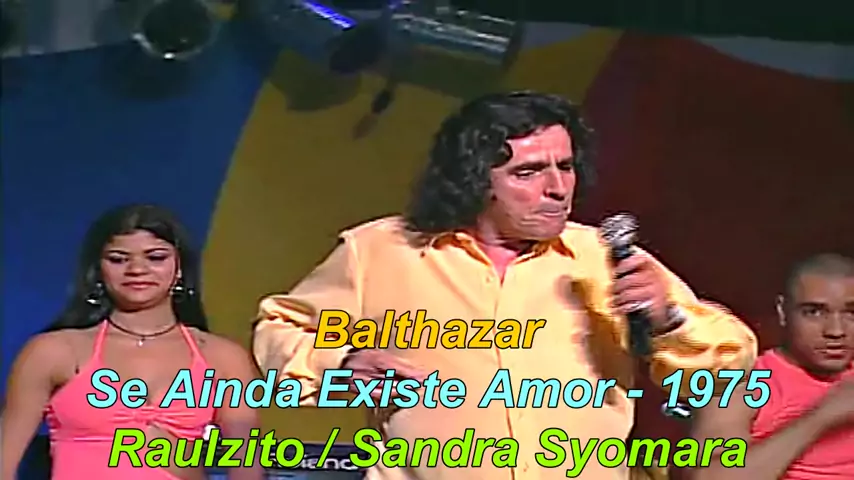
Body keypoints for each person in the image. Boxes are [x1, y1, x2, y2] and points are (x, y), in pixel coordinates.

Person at [252, 91, 758, 479]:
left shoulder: (603, 258)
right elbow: (279, 327)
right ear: (474, 180)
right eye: (529, 172)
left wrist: (669, 319)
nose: (557, 188)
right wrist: (341, 364)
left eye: (565, 167)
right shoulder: (380, 251)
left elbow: (730, 358)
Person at [1, 204, 263, 480]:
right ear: (98, 269)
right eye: (118, 259)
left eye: (155, 257)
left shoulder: (222, 358)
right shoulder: (54, 352)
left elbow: (247, 466)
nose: (137, 269)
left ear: (180, 268)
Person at [689, 253, 854, 480]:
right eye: (814, 312)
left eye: (851, 313)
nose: (836, 331)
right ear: (782, 312)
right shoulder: (741, 381)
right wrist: (822, 416)